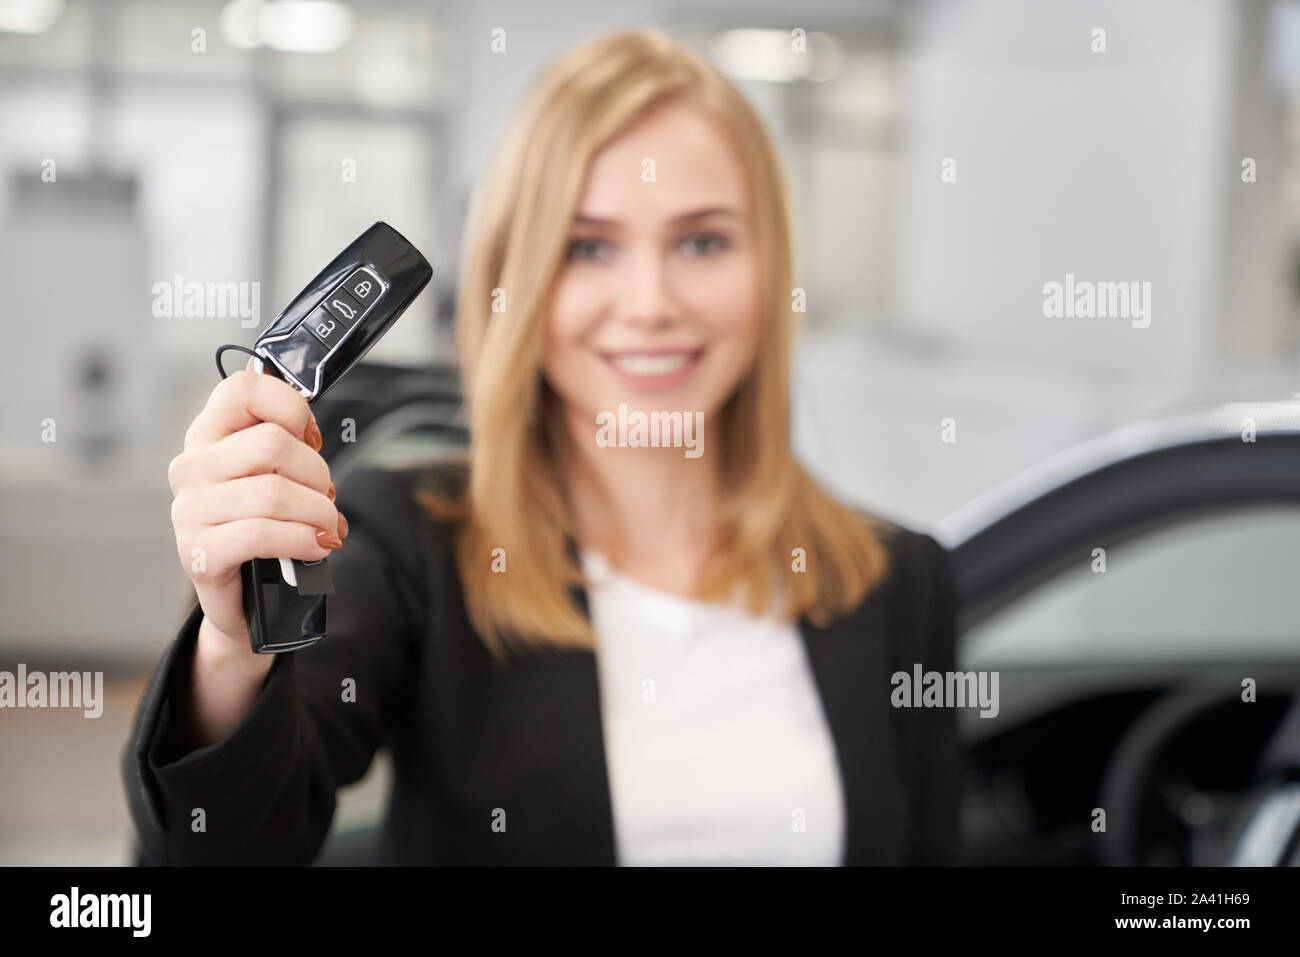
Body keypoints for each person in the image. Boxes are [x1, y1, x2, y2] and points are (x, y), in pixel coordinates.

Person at [122, 27, 961, 866]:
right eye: (588, 246)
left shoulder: (898, 579)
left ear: (770, 268)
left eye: (701, 241)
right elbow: (221, 850)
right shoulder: (413, 545)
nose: (650, 302)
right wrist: (234, 649)